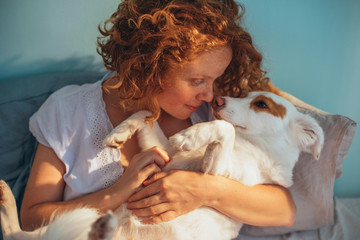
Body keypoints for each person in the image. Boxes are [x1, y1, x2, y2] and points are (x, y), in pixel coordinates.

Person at [20, 0, 296, 232]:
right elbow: (31, 219)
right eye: (198, 80)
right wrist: (116, 194)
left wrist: (204, 190)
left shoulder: (213, 118)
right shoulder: (68, 112)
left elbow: (284, 209)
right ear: (150, 66)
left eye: (215, 79)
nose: (209, 95)